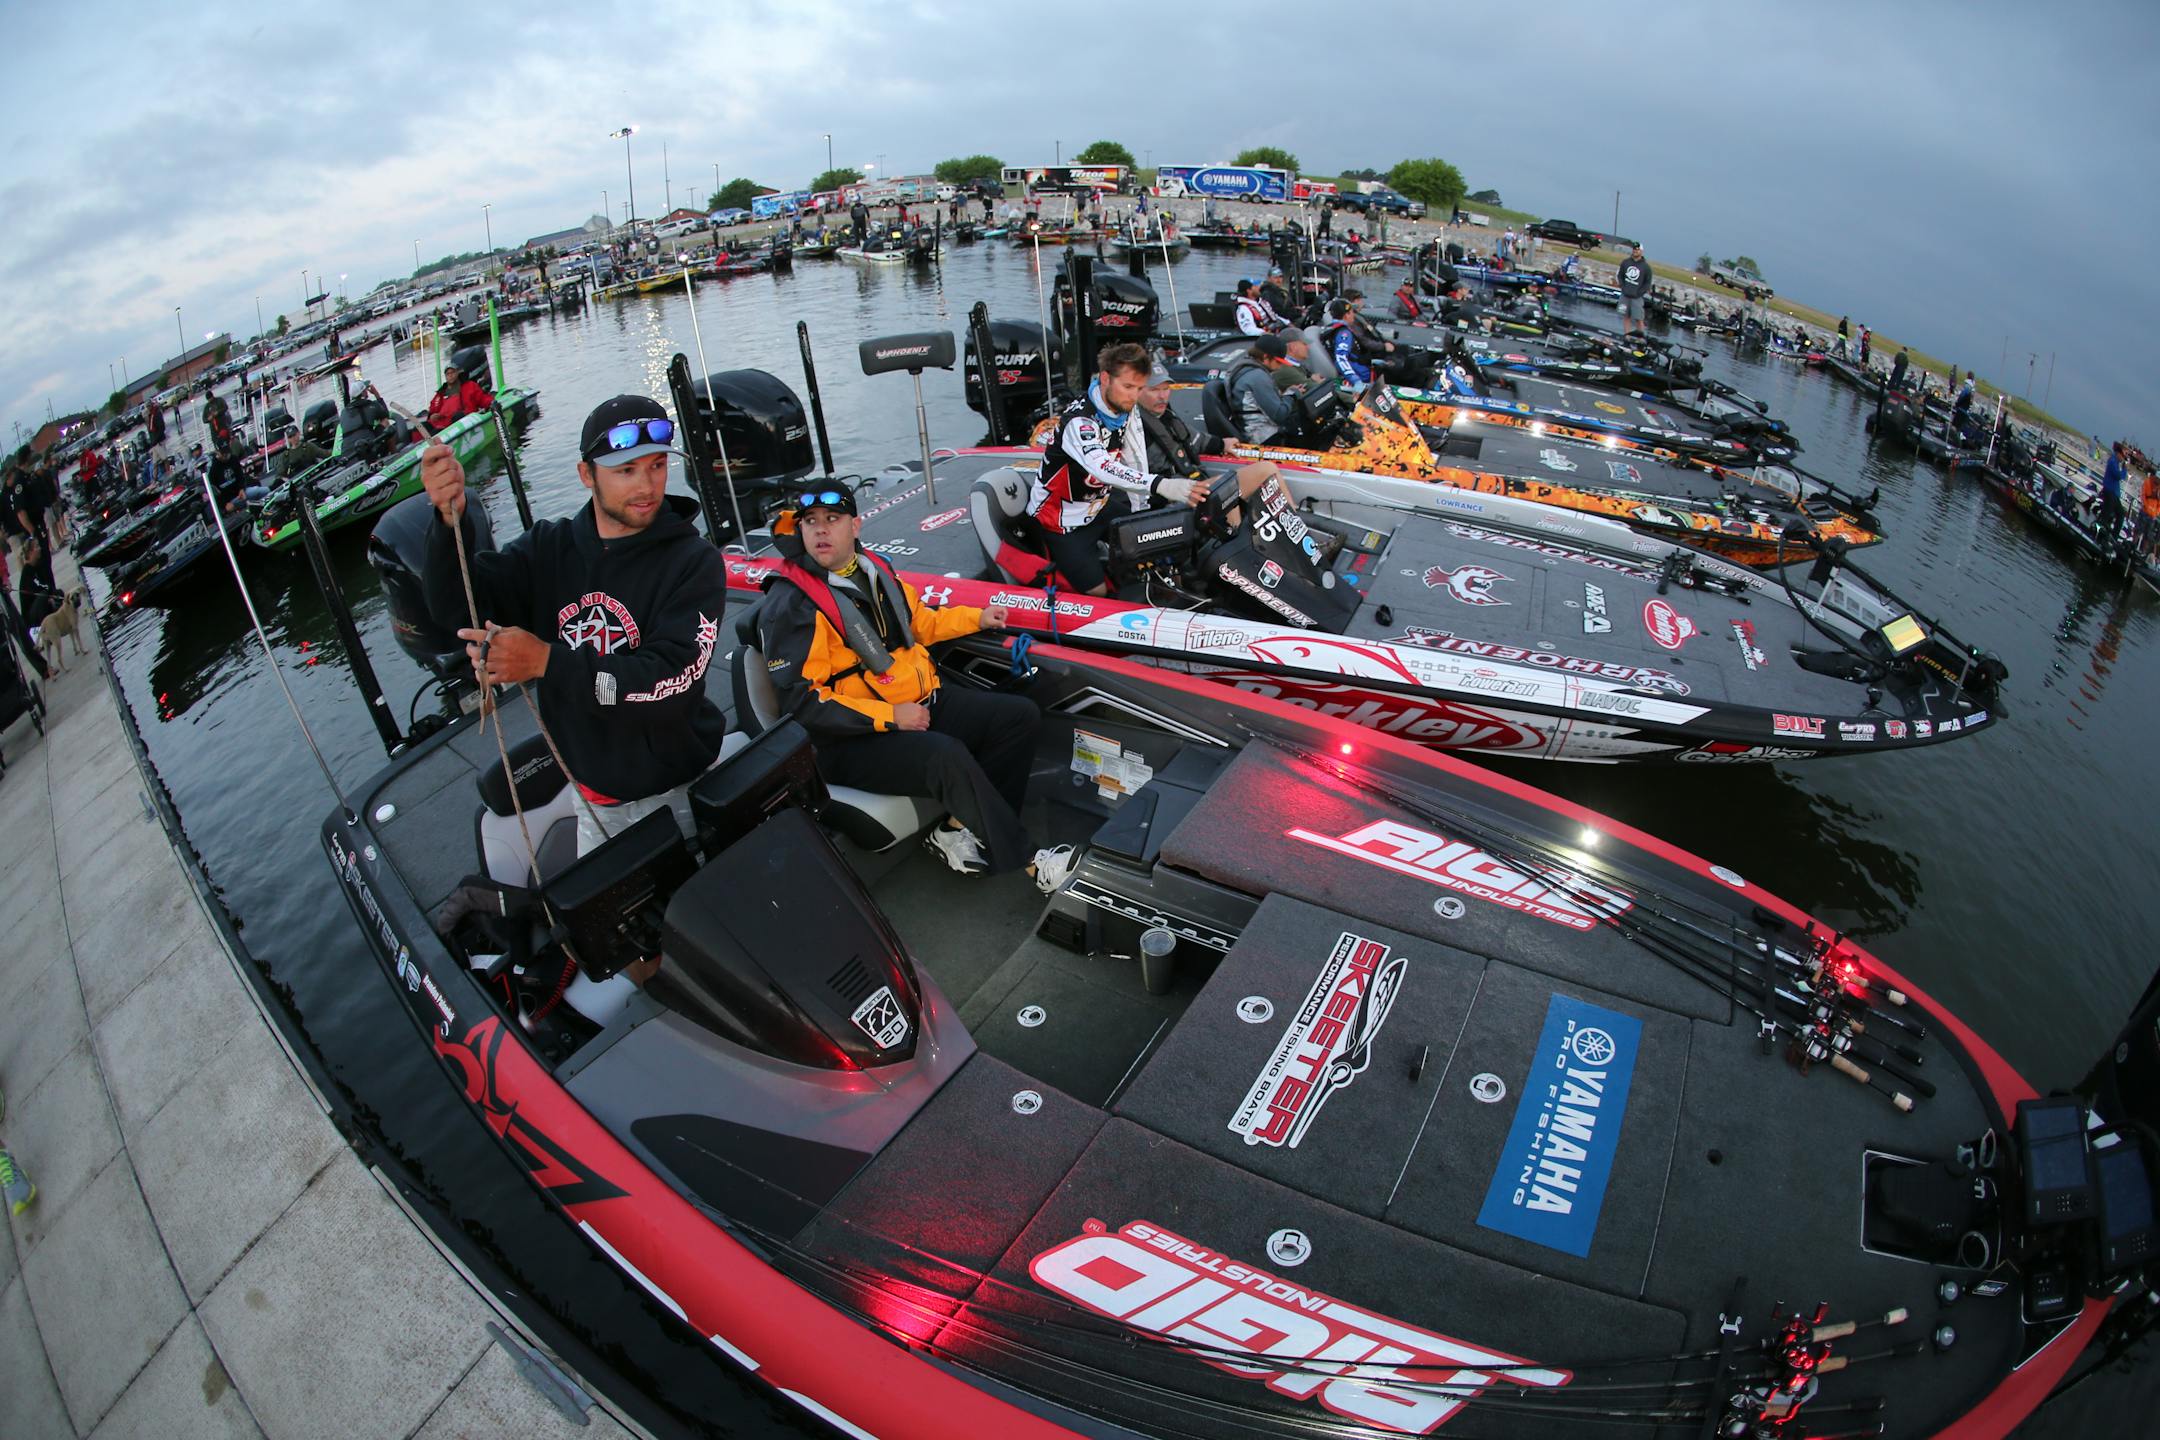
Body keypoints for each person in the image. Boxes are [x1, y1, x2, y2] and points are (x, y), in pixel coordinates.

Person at [418, 394, 732, 876]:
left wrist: (547, 662)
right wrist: (447, 521)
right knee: (618, 943)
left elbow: (671, 682)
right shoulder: (549, 548)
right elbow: (457, 607)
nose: (647, 485)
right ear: (588, 475)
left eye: (656, 466)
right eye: (625, 470)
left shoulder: (693, 563)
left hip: (677, 786)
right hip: (591, 797)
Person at [759, 486, 1075, 889]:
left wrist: (977, 618)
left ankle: (961, 828)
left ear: (855, 526)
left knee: (1017, 717)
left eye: (832, 520)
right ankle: (1030, 862)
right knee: (945, 755)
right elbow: (802, 703)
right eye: (811, 523)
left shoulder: (871, 570)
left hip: (918, 700)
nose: (821, 531)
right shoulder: (794, 605)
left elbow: (918, 623)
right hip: (848, 740)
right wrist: (892, 717)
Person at [1026, 342, 1197, 595]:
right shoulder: (1080, 421)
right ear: (1106, 378)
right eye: (1127, 386)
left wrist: (1141, 513)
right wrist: (1161, 484)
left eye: (1139, 388)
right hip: (1062, 521)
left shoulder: (1124, 409)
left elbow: (1135, 456)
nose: (1133, 395)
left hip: (1098, 506)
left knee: (1150, 543)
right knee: (1097, 593)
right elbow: (1102, 467)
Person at [1222, 333, 1304, 443]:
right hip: (1262, 437)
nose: (1280, 367)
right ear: (1265, 357)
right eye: (1278, 362)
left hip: (1252, 430)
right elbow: (1279, 415)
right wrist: (1292, 394)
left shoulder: (1245, 367)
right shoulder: (1257, 377)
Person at [425, 359, 495, 430]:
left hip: (464, 420)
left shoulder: (469, 386)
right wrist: (432, 416)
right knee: (423, 426)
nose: (450, 375)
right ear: (445, 376)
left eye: (452, 372)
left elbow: (482, 398)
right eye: (448, 374)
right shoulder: (441, 393)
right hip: (444, 426)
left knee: (457, 416)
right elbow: (433, 409)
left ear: (458, 373)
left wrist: (493, 403)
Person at [1617, 242, 1652, 340]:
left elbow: (1647, 283)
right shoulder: (1625, 262)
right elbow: (1620, 276)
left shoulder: (1646, 267)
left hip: (1637, 297)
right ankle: (1627, 336)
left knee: (1639, 318)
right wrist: (1622, 287)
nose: (1635, 251)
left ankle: (1640, 339)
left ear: (1641, 251)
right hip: (1625, 295)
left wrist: (1639, 293)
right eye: (1634, 249)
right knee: (1626, 316)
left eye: (1637, 249)